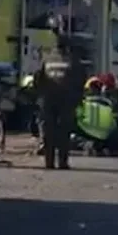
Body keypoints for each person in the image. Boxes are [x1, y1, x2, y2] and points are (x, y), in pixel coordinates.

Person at [33, 15, 87, 169]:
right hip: (65, 101)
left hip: (48, 101)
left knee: (49, 132)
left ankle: (49, 163)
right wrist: (77, 98)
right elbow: (81, 79)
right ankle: (62, 162)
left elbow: (38, 78)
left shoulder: (47, 59)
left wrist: (39, 97)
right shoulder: (72, 60)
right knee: (64, 132)